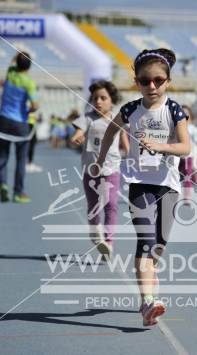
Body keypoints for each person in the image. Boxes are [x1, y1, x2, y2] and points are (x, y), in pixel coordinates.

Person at [96, 48, 190, 326]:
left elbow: (185, 147)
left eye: (158, 80)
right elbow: (111, 130)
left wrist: (160, 145)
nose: (152, 86)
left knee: (159, 245)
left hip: (168, 186)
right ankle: (148, 301)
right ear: (136, 82)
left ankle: (149, 280)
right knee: (146, 243)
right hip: (140, 185)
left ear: (168, 81)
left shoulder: (174, 110)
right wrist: (102, 159)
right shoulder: (129, 110)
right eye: (145, 81)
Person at [70, 80, 128, 258]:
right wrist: (77, 137)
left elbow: (125, 144)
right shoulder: (88, 118)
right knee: (94, 205)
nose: (99, 102)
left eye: (103, 98)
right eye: (95, 98)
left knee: (111, 205)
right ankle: (95, 231)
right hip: (91, 170)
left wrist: (126, 152)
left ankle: (108, 242)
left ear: (112, 100)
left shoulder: (117, 119)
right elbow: (79, 131)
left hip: (111, 169)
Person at [0, 51, 38, 203]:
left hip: (3, 120)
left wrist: (17, 56)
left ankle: (3, 185)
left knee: (2, 156)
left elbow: (13, 61)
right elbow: (35, 105)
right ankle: (18, 193)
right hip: (20, 122)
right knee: (21, 159)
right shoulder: (29, 83)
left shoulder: (10, 72)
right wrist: (28, 111)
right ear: (29, 66)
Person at [179, 104, 197, 195]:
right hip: (178, 155)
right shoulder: (178, 127)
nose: (184, 115)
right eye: (182, 113)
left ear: (190, 115)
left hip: (190, 155)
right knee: (176, 174)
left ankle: (188, 194)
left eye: (186, 113)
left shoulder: (195, 129)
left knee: (189, 174)